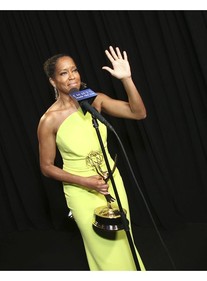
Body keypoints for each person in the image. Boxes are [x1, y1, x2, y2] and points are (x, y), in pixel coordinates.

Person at [37, 46, 147, 270]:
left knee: (125, 242)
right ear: (52, 81)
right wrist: (85, 181)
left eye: (74, 70)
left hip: (112, 183)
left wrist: (127, 79)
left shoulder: (93, 101)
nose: (72, 76)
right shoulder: (49, 120)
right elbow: (46, 167)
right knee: (103, 250)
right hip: (82, 191)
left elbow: (138, 113)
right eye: (64, 73)